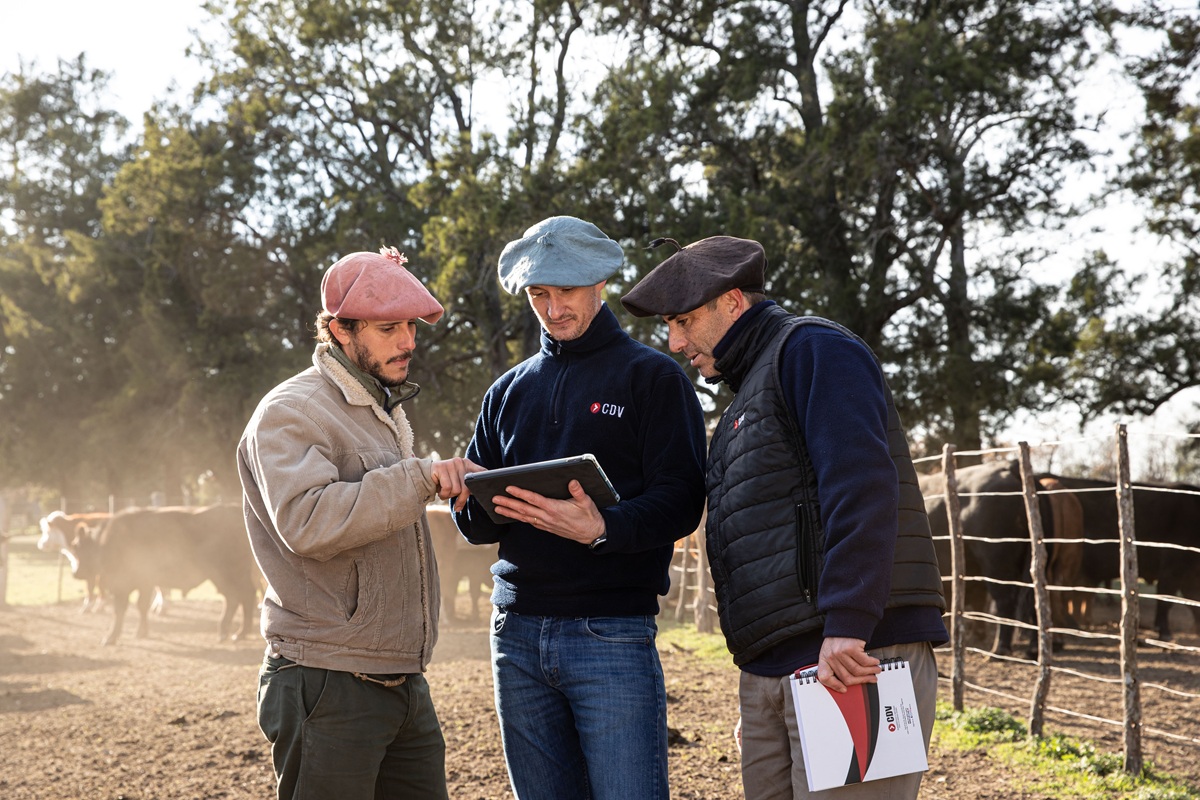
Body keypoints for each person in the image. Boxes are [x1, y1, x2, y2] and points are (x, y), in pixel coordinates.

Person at [621, 235, 948, 800]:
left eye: (683, 321)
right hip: (787, 669)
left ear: (733, 303)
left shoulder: (812, 350)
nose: (674, 343)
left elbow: (863, 485)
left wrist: (848, 624)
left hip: (851, 658)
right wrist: (768, 683)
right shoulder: (747, 394)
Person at [452, 215, 707, 800]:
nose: (551, 307)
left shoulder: (654, 379)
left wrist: (603, 527)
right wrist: (466, 491)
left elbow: (683, 500)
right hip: (514, 631)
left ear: (599, 283)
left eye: (565, 290)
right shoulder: (506, 392)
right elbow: (472, 526)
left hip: (610, 632)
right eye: (538, 293)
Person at [237, 246, 482, 800]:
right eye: (388, 327)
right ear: (341, 331)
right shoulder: (292, 411)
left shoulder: (380, 411)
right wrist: (420, 479)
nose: (408, 341)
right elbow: (307, 521)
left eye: (412, 327)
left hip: (401, 679)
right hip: (327, 681)